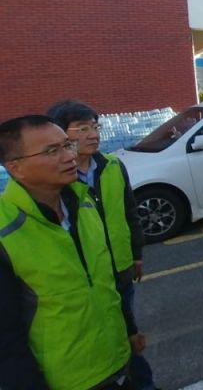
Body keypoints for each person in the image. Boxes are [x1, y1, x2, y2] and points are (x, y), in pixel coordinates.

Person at [0, 115, 135, 389]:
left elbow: (105, 280)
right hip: (67, 381)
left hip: (118, 363)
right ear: (16, 167)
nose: (69, 156)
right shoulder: (6, 230)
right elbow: (6, 337)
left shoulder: (84, 203)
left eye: (67, 145)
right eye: (52, 151)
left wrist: (130, 329)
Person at [47, 100, 154, 389]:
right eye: (82, 129)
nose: (93, 135)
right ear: (61, 135)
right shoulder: (58, 180)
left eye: (95, 127)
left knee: (126, 328)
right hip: (88, 277)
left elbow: (129, 211)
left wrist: (136, 254)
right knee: (108, 336)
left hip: (120, 267)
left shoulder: (113, 166)